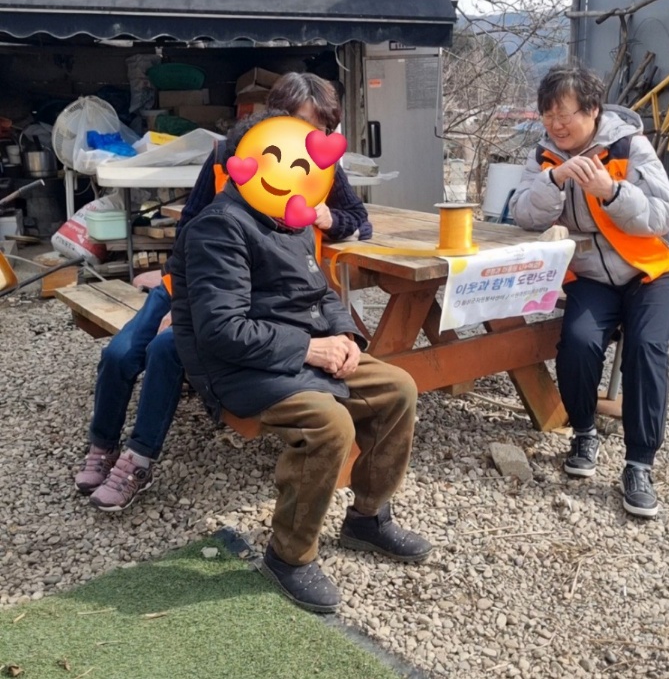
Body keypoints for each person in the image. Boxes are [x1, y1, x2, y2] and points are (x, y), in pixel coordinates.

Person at [170, 115, 432, 613]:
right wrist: (311, 349)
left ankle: (368, 518)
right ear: (243, 164)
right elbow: (221, 331)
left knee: (397, 387)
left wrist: (345, 335)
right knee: (329, 424)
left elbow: (321, 292)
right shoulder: (218, 227)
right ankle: (288, 556)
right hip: (240, 368)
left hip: (296, 349)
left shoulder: (287, 215)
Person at [75, 72, 371, 511]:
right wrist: (181, 303)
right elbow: (190, 226)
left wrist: (330, 218)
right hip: (193, 284)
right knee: (121, 353)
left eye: (321, 130)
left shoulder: (320, 168)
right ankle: (102, 444)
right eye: (300, 124)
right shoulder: (227, 154)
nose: (309, 139)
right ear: (274, 119)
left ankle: (137, 459)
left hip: (252, 298)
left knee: (166, 350)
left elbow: (359, 220)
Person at [509, 64, 669, 518]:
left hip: (652, 270)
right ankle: (583, 433)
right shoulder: (544, 156)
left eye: (564, 114)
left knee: (646, 348)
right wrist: (554, 181)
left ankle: (639, 463)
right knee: (578, 341)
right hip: (592, 276)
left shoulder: (629, 146)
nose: (556, 124)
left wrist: (612, 192)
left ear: (592, 111)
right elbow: (522, 214)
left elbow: (666, 213)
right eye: (548, 114)